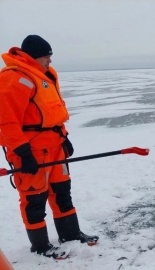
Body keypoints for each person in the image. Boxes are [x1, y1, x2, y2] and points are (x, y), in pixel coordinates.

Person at [0, 35, 98, 259]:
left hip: (55, 147)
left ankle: (71, 235)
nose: (50, 61)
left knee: (62, 192)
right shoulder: (14, 77)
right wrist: (22, 152)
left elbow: (51, 113)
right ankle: (40, 246)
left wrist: (64, 137)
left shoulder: (44, 75)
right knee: (34, 199)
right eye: (47, 56)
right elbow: (6, 121)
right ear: (35, 56)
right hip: (31, 150)